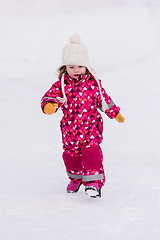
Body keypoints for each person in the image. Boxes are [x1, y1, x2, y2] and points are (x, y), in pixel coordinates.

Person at [41, 34, 125, 198]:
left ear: (86, 65)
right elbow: (49, 96)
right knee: (71, 155)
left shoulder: (94, 84)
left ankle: (93, 183)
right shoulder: (61, 85)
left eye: (80, 66)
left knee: (92, 154)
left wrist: (115, 113)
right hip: (70, 130)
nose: (76, 70)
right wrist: (49, 106)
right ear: (65, 67)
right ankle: (76, 177)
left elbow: (104, 100)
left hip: (91, 127)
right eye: (71, 67)